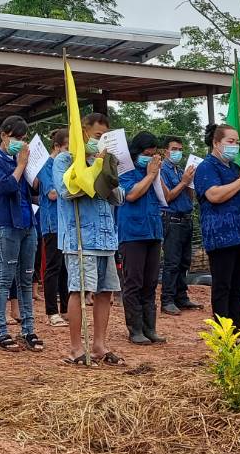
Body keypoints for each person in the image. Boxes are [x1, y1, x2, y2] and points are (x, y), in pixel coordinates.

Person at [54, 112, 123, 363]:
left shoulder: (107, 160)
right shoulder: (65, 160)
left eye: (106, 136)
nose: (101, 141)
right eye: (97, 136)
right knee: (80, 290)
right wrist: (92, 170)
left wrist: (107, 174)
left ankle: (99, 346)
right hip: (80, 238)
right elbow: (66, 191)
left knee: (106, 292)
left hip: (107, 239)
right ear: (83, 131)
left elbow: (118, 196)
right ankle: (75, 348)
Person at [0, 115, 43, 353]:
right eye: (16, 138)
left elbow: (35, 188)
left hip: (27, 225)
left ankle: (28, 329)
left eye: (24, 139)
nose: (20, 142)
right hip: (4, 225)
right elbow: (7, 187)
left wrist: (31, 167)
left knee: (26, 279)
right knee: (4, 279)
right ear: (4, 135)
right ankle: (1, 331)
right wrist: (20, 166)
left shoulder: (21, 160)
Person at [193, 124, 240, 328]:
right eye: (230, 142)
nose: (235, 146)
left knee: (238, 289)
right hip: (221, 236)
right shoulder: (207, 167)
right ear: (216, 143)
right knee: (223, 287)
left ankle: (237, 332)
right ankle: (224, 335)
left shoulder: (236, 168)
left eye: (237, 143)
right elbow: (214, 195)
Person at [119, 131, 167, 345]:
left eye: (154, 154)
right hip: (133, 233)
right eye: (147, 154)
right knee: (134, 281)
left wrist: (157, 175)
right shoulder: (126, 171)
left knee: (150, 282)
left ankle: (151, 328)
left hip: (153, 231)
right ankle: (135, 329)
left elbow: (166, 196)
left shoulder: (155, 171)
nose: (151, 157)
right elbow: (131, 194)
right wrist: (149, 175)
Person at [157, 135, 200, 316]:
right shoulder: (162, 171)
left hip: (186, 218)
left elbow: (190, 198)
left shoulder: (180, 170)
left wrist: (190, 183)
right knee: (172, 262)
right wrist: (183, 181)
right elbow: (167, 197)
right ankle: (167, 299)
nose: (178, 153)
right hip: (171, 219)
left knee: (184, 261)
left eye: (180, 150)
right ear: (165, 151)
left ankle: (181, 296)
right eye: (174, 149)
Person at [37, 128, 67, 327]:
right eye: (66, 148)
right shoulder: (46, 165)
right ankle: (51, 312)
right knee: (54, 267)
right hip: (53, 223)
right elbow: (52, 194)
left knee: (67, 268)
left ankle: (66, 309)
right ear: (56, 146)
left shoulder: (68, 164)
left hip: (68, 223)